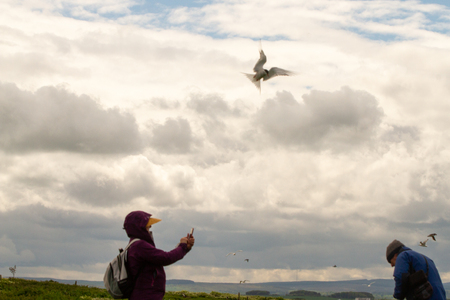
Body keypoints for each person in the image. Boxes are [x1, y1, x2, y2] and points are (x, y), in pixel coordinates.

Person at [123, 210, 195, 300]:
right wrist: (183, 246)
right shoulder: (140, 245)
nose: (150, 226)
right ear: (139, 227)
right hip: (146, 296)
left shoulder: (135, 245)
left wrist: (185, 248)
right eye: (147, 224)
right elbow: (166, 258)